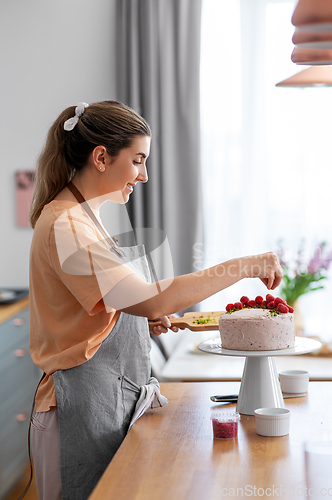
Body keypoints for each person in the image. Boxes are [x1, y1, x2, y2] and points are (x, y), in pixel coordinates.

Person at [28, 100, 282, 500]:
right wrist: (242, 266)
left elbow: (109, 305)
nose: (143, 175)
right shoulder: (67, 224)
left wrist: (131, 322)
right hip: (76, 410)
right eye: (138, 160)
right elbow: (149, 299)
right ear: (100, 157)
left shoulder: (81, 218)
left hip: (101, 404)